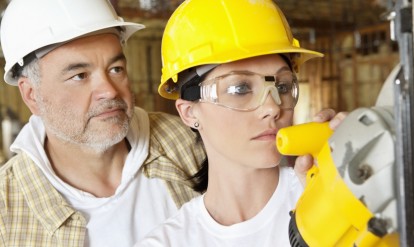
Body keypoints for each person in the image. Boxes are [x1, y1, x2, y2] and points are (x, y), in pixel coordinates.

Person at [134, 0, 346, 246]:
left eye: (282, 86)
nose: (272, 107)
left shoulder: (328, 194)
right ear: (190, 112)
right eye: (240, 88)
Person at [0, 0, 208, 246]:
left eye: (116, 69)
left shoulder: (190, 143)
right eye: (80, 76)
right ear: (31, 95)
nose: (109, 91)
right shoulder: (7, 210)